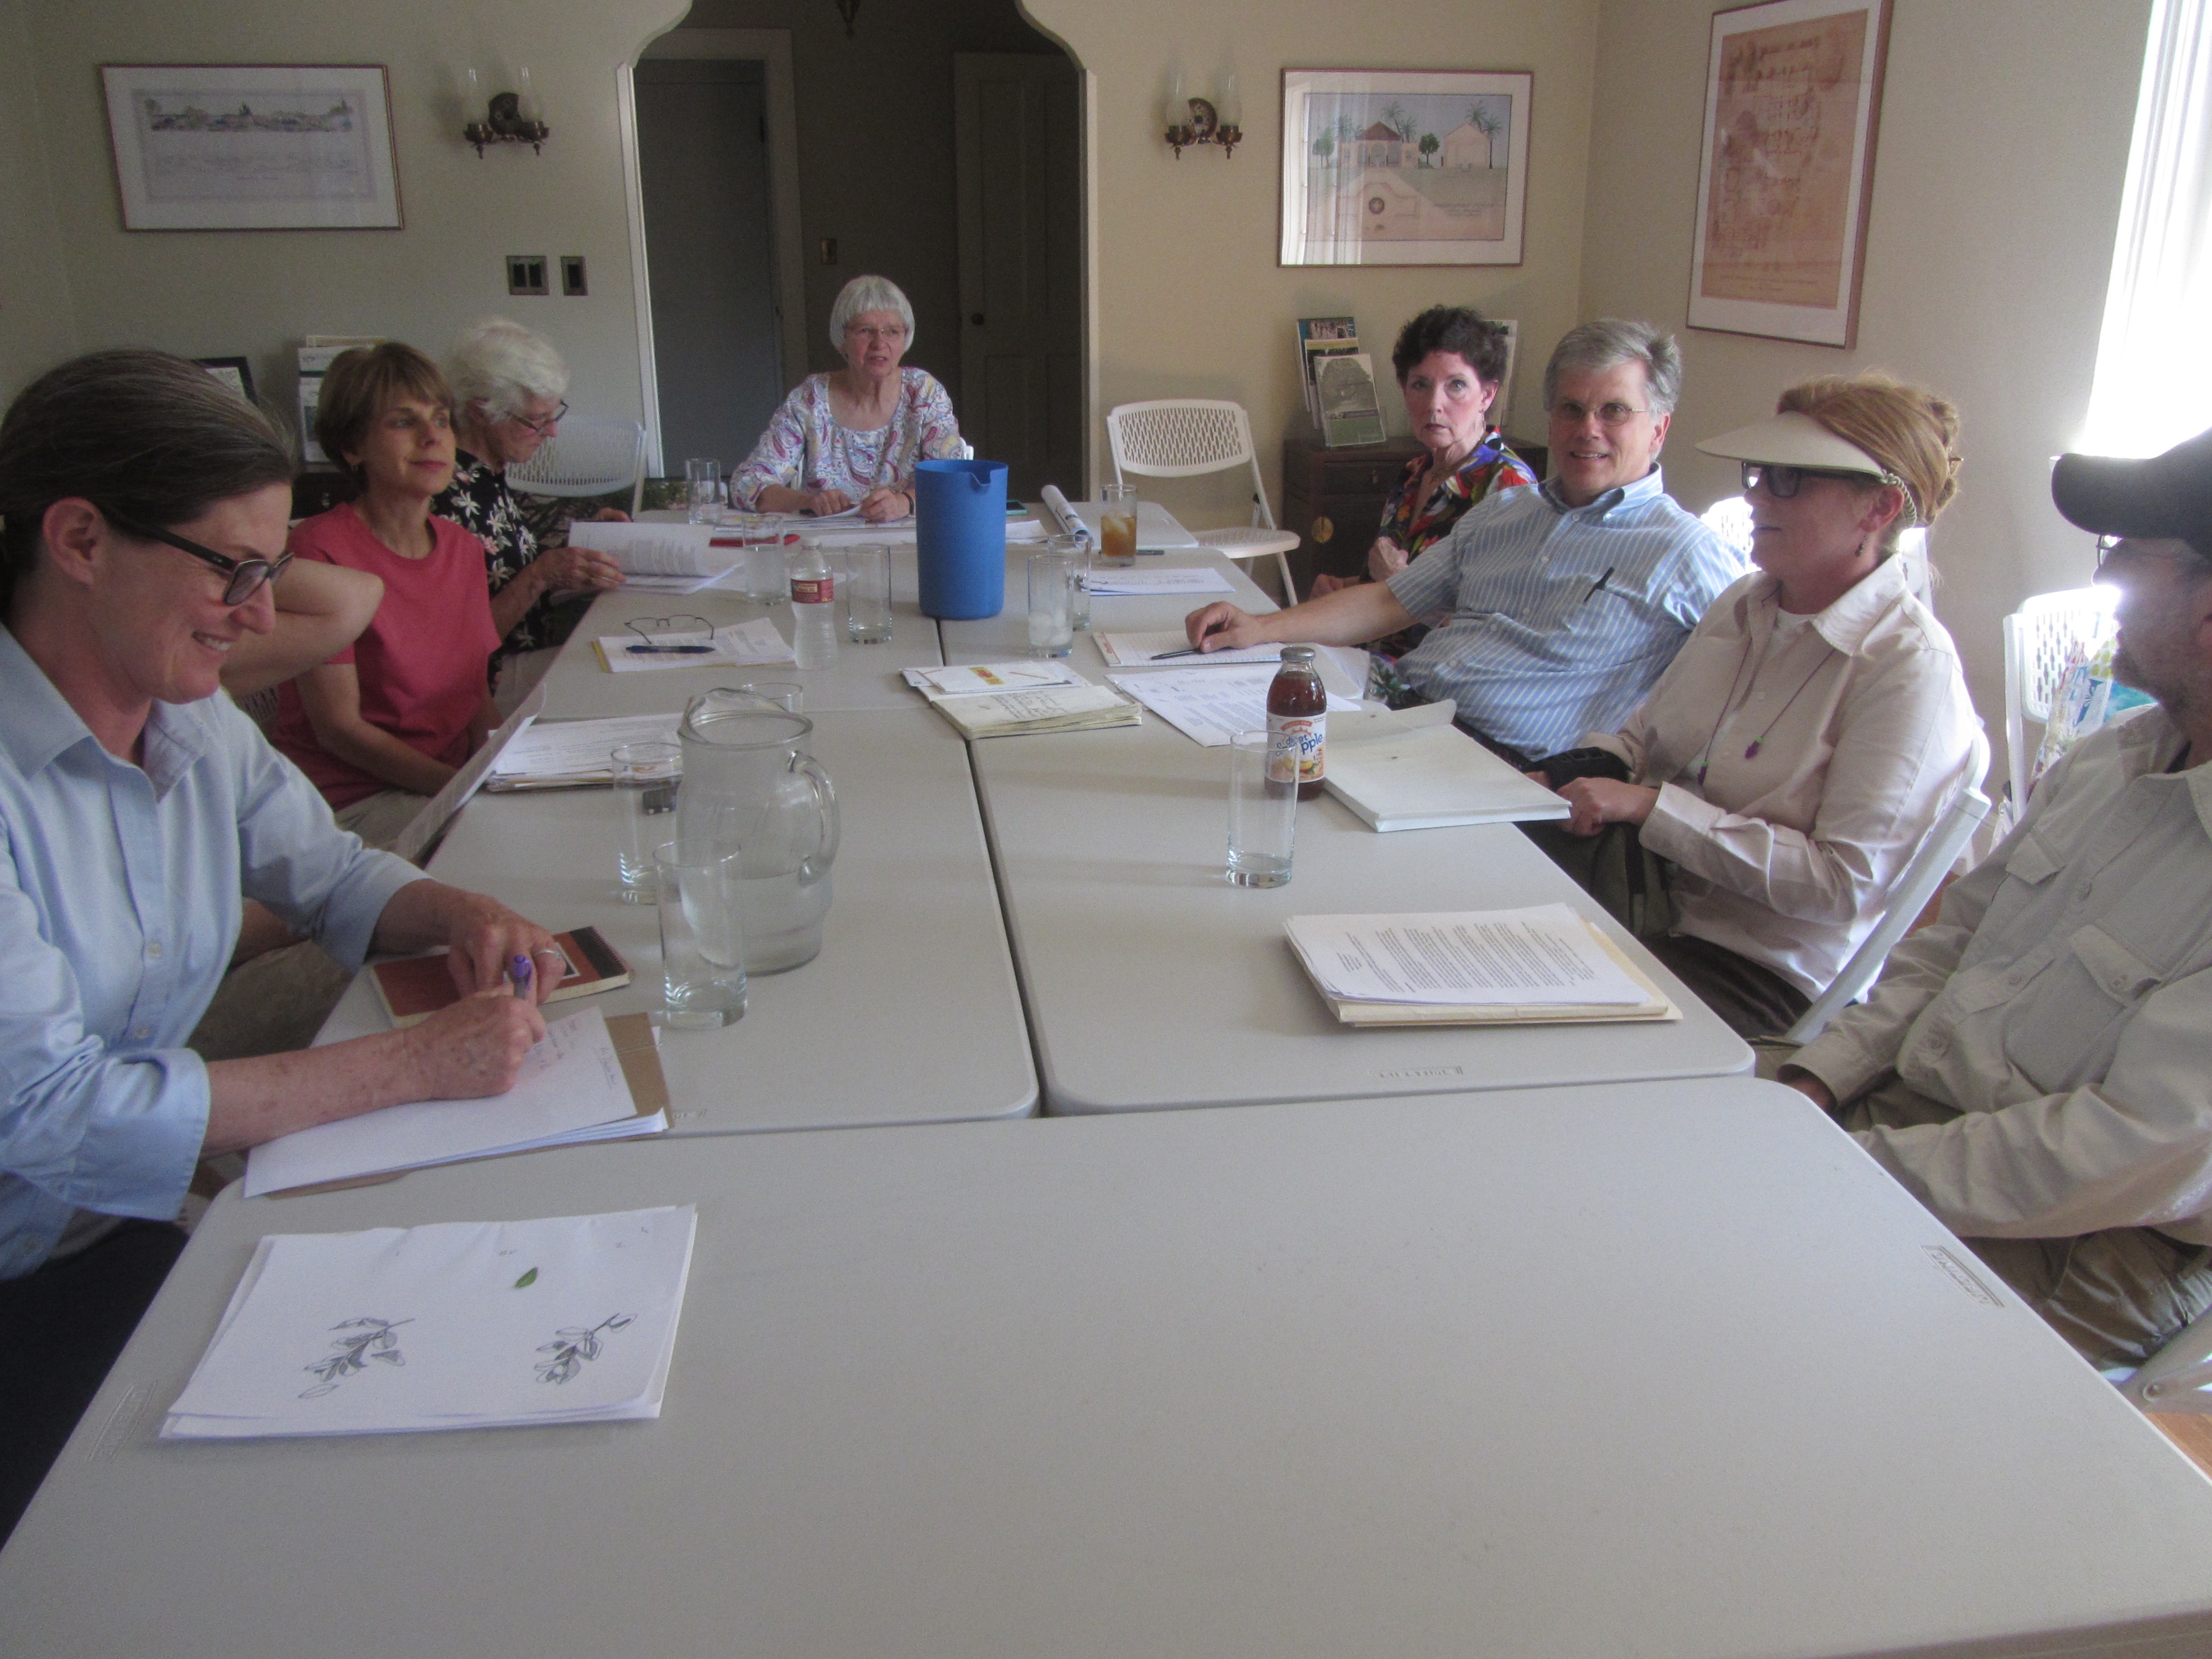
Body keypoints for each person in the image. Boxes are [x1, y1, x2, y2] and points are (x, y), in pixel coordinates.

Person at [0, 349, 562, 1539]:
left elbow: (332, 873)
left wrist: (464, 914)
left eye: (271, 571)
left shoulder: (186, 716)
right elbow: (51, 1116)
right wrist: (411, 1065)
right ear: (81, 539)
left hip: (110, 1237)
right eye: (233, 570)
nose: (261, 616)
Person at [1763, 421, 2212, 1370]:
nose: (2105, 579)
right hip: (1912, 1124)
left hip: (2086, 1239)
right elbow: (1951, 942)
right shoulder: (2114, 760)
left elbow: (2124, 1152)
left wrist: (1849, 1165)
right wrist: (1824, 1076)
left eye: (2129, 554)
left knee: (1770, 1331)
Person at [1531, 374, 1978, 1037]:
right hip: (1638, 903)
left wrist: (1653, 808)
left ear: (1879, 508)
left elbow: (1843, 886)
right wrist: (1555, 776)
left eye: (1789, 480)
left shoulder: (1907, 667)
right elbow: (1639, 741)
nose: (1756, 495)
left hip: (1757, 971)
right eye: (1760, 473)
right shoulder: (1744, 603)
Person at [1185, 320, 1743, 765]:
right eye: (1571, 409)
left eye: (1613, 411)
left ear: (1659, 429)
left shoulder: (1685, 552)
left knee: (1267, 765)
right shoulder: (1506, 513)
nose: (1587, 429)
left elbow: (1756, 678)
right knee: (1229, 689)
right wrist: (1260, 627)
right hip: (1399, 698)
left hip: (1495, 758)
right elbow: (1389, 601)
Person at [269, 343, 503, 848]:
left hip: (444, 786)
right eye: (403, 422)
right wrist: (463, 791)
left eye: (441, 420)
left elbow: (476, 696)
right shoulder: (318, 548)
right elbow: (339, 729)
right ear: (353, 447)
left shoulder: (464, 548)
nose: (432, 437)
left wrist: (503, 774)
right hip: (353, 801)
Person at [436, 318, 627, 707]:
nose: (552, 433)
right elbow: (458, 643)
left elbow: (505, 565)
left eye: (554, 415)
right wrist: (541, 575)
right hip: (486, 684)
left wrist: (581, 547)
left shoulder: (488, 474)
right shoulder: (447, 498)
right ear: (481, 412)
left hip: (527, 655)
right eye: (537, 421)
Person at [1308, 306, 1537, 619]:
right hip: (1370, 641)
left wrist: (1400, 583)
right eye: (1420, 385)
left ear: (1487, 395)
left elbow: (1495, 623)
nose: (1434, 405)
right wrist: (1341, 589)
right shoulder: (1414, 473)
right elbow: (1382, 589)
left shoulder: (1510, 486)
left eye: (1456, 385)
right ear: (1404, 390)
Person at [730, 274, 965, 523]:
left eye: (892, 331)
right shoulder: (810, 399)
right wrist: (809, 502)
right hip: (823, 543)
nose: (879, 343)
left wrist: (905, 503)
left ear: (905, 339)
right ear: (842, 339)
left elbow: (955, 483)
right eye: (865, 331)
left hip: (910, 540)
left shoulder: (924, 394)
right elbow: (747, 483)